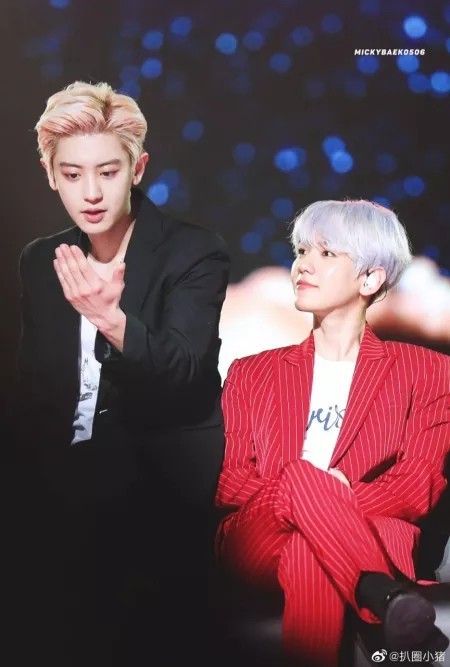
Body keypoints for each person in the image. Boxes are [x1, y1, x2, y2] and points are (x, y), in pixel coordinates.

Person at [12, 81, 229, 667]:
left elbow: (184, 372)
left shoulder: (194, 252)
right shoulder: (42, 259)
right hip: (62, 470)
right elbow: (35, 388)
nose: (91, 192)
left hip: (157, 468)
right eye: (73, 174)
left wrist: (110, 320)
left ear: (138, 169)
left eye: (108, 172)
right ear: (51, 175)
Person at [215, 199, 450, 667]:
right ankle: (384, 597)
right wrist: (303, 488)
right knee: (302, 476)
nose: (303, 264)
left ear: (371, 279)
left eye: (326, 253)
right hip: (259, 535)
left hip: (370, 536)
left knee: (310, 551)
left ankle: (376, 594)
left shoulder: (429, 372)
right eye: (302, 251)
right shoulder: (250, 373)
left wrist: (323, 504)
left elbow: (417, 486)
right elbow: (228, 481)